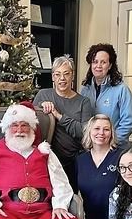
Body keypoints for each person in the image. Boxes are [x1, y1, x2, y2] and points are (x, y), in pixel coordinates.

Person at [33, 55, 94, 191]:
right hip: (47, 160)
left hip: (74, 162)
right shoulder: (43, 95)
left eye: (66, 74)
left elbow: (85, 132)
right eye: (58, 74)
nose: (62, 79)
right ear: (53, 77)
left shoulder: (84, 102)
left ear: (72, 76)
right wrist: (41, 108)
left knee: (70, 198)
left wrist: (59, 116)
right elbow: (31, 124)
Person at [76, 114, 121, 219]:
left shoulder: (121, 156)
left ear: (111, 133)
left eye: (106, 129)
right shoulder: (80, 160)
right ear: (89, 132)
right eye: (97, 128)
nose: (101, 133)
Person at [80, 43, 132, 146]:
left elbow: (129, 122)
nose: (98, 66)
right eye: (95, 62)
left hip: (114, 148)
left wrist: (111, 142)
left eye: (103, 62)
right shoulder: (84, 89)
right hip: (91, 147)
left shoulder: (121, 90)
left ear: (110, 65)